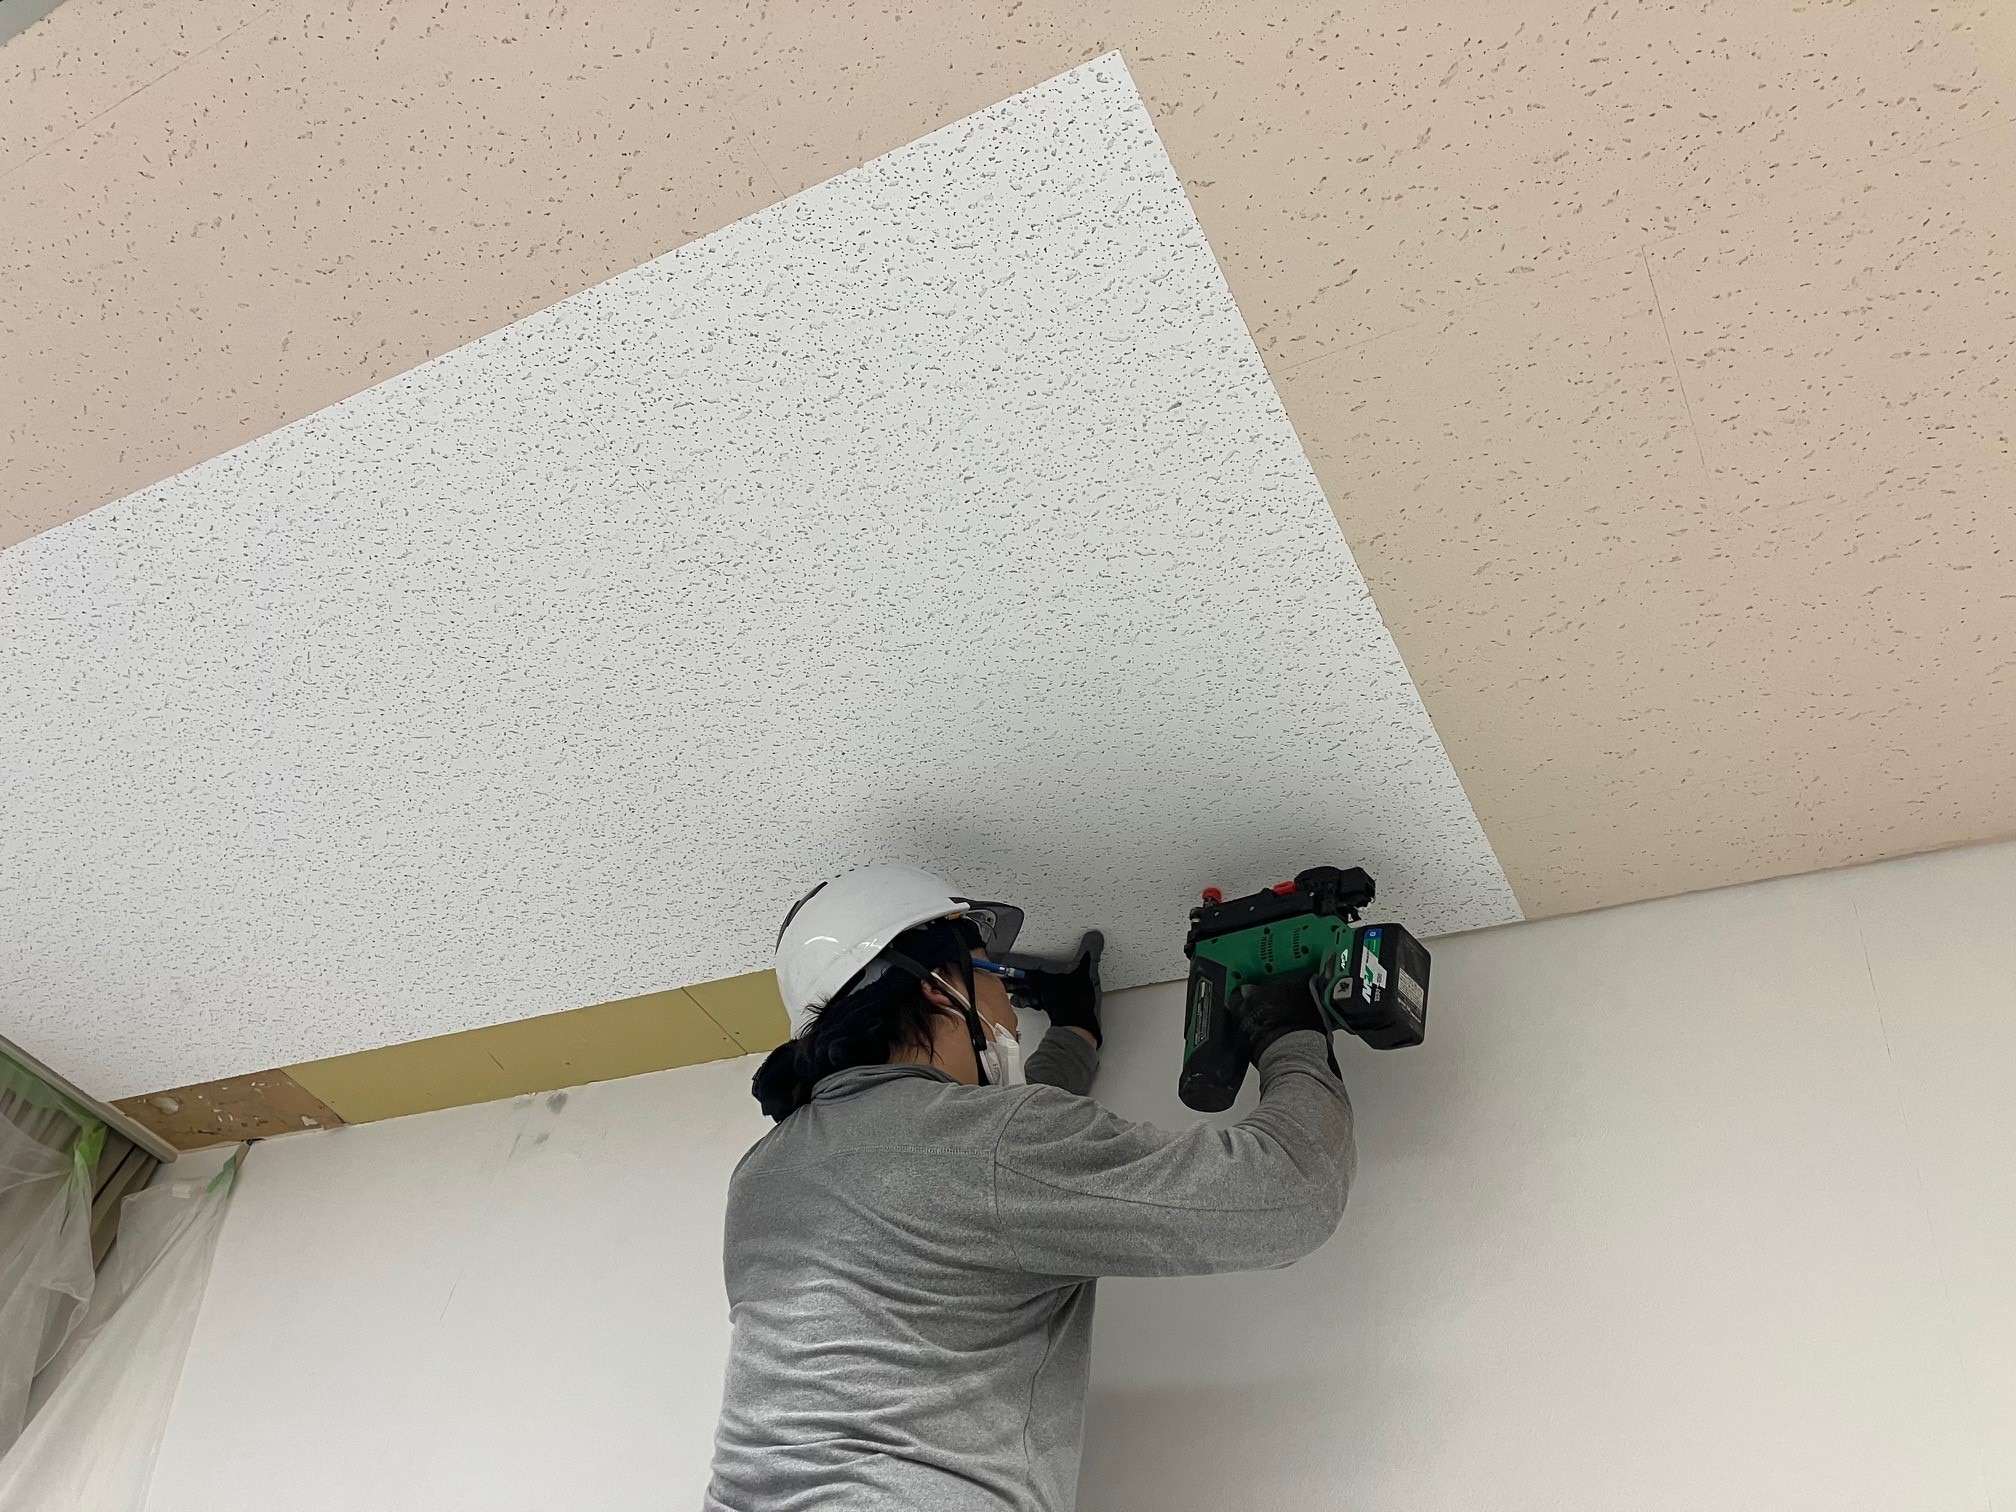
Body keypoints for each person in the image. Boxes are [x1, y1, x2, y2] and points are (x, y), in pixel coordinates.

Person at [703, 864, 1355, 1512]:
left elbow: (972, 1175)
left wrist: (1074, 1033)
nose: (1012, 1013)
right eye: (992, 975)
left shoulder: (763, 1175)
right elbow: (1290, 1194)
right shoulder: (988, 1148)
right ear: (939, 990)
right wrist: (1291, 1031)